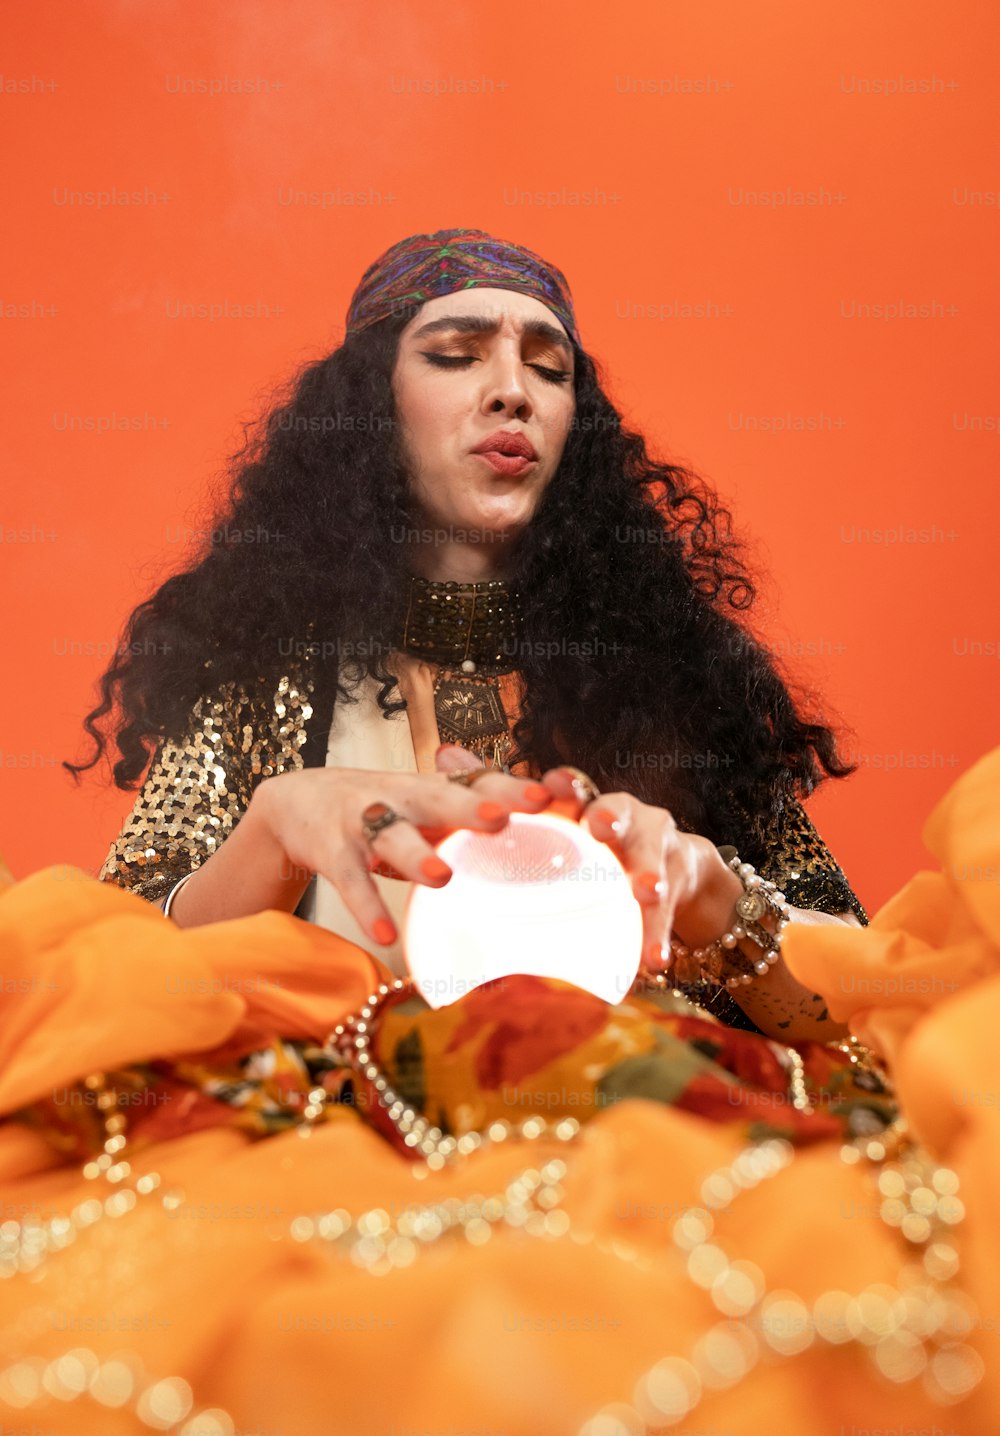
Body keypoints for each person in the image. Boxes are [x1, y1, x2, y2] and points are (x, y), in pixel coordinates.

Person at [70, 228, 867, 1043]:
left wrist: (711, 896)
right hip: (332, 1149)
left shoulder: (682, 679)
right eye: (457, 355)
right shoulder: (252, 676)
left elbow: (864, 1005)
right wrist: (272, 832)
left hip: (629, 1142)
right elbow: (113, 984)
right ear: (370, 405)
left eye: (549, 369)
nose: (512, 391)